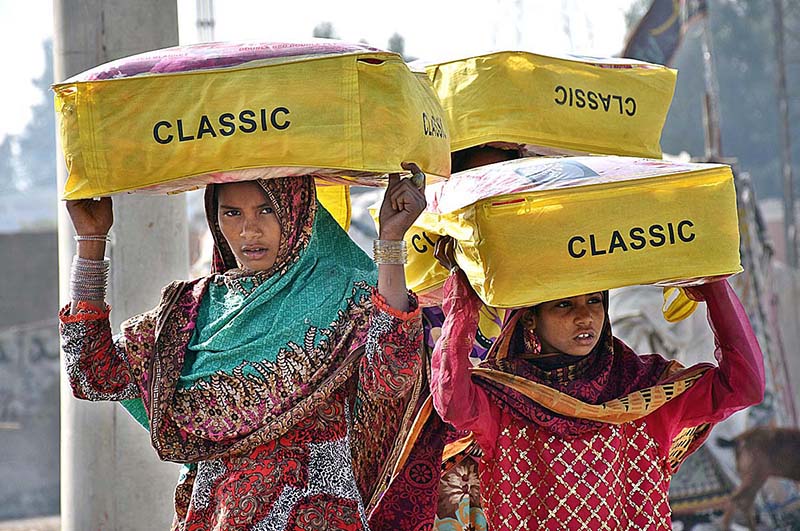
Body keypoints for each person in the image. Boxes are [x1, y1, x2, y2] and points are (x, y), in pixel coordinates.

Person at [60, 170, 427, 531]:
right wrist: (90, 244)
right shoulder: (192, 309)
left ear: (298, 210)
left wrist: (391, 242)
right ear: (214, 217)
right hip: (213, 516)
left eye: (266, 210)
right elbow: (94, 375)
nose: (248, 231)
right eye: (231, 213)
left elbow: (393, 376)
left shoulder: (348, 296)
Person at [430, 235, 765, 530]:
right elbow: (452, 402)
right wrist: (461, 300)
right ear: (531, 317)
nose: (585, 316)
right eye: (564, 304)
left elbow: (743, 385)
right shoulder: (505, 398)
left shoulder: (644, 390)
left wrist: (712, 282)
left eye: (594, 300)